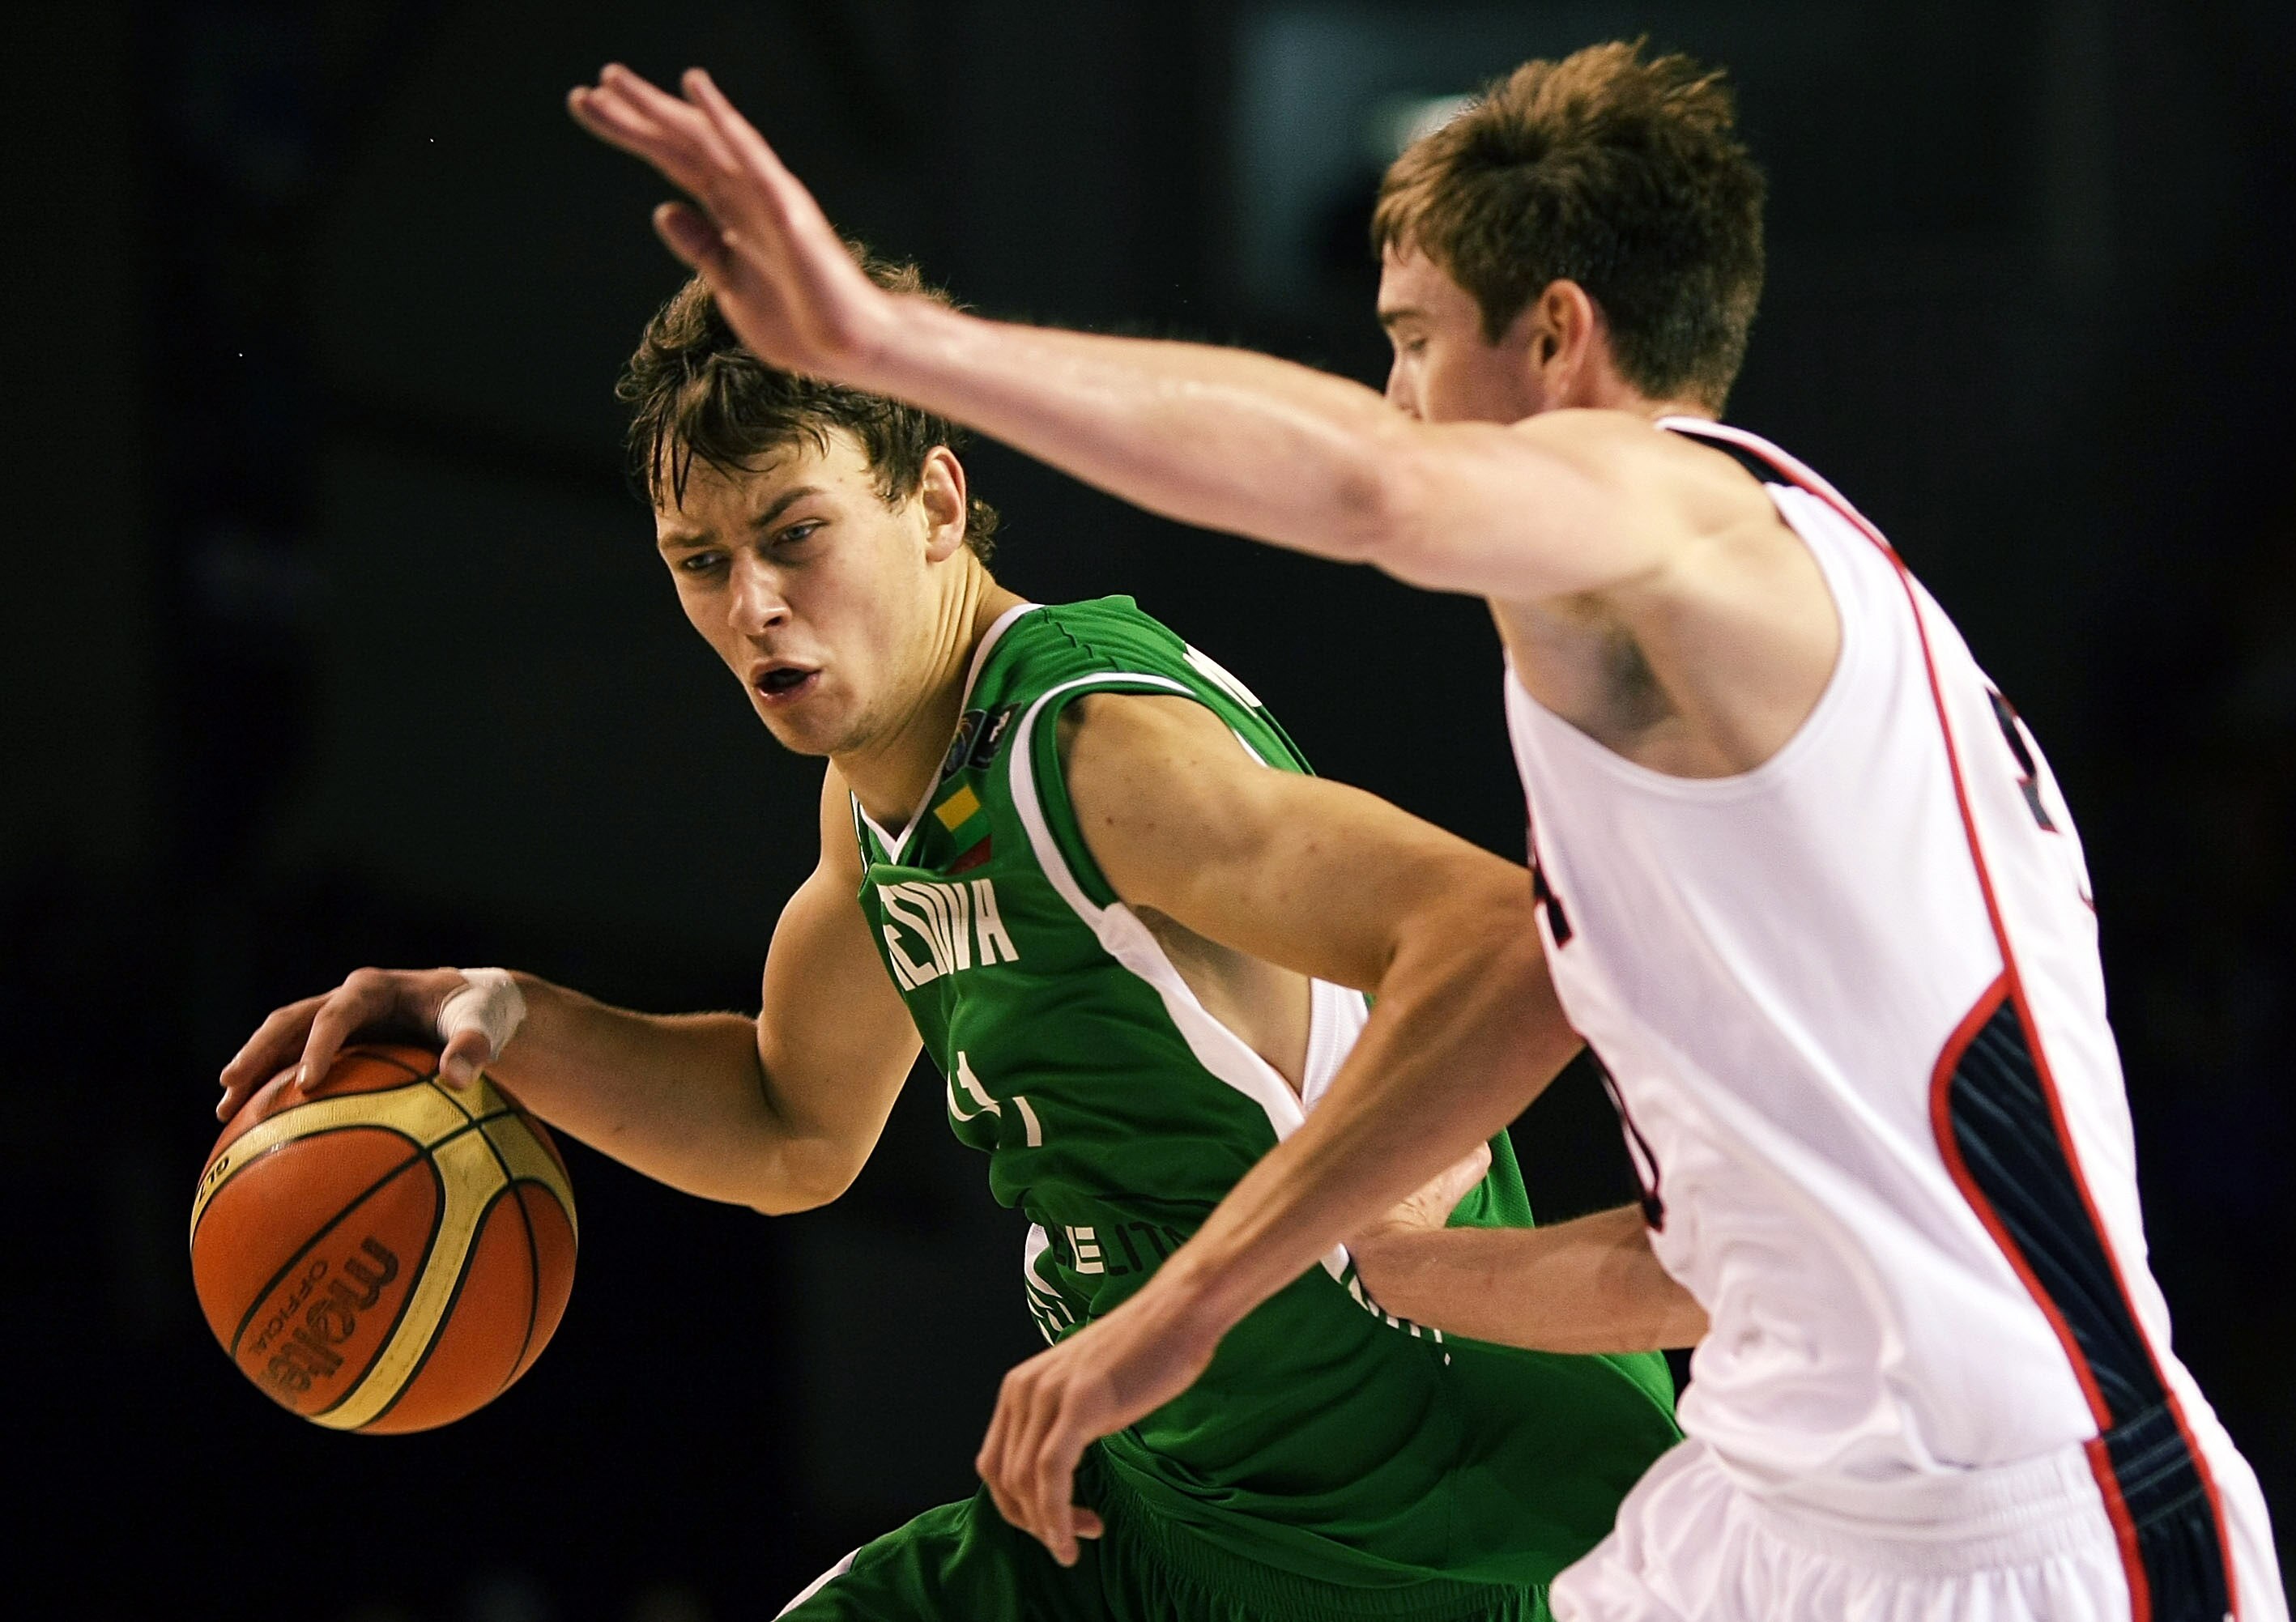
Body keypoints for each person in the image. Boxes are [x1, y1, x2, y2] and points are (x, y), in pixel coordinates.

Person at [564, 36, 2291, 1622]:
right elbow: (1707, 1253)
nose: (1382, 400)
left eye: (1405, 344)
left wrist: (885, 346)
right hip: (1759, 1525)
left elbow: (1372, 492)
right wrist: (1386, 1261)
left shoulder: (1686, 522)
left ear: (1554, 339)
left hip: (2025, 1532)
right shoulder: (1669, 682)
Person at [216, 260, 1688, 1620]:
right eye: (700, 561)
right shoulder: (878, 807)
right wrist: (508, 1016)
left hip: (1429, 1523)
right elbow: (790, 1124)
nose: (756, 607)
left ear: (932, 501)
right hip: (1153, 1512)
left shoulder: (1090, 749)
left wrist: (1288, 1255)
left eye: (795, 534)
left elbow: (1503, 943)